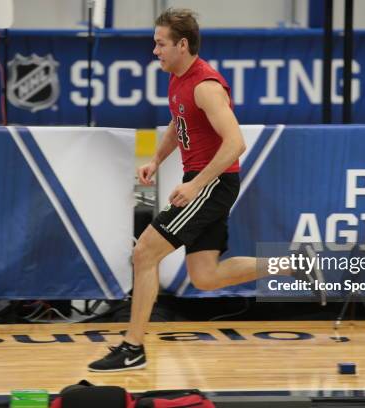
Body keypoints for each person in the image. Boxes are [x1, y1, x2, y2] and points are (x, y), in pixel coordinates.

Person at [87, 8, 323, 373]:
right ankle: (296, 265)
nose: (155, 51)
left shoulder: (206, 86)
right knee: (205, 276)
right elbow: (176, 123)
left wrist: (195, 184)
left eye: (160, 44)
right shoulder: (177, 78)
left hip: (211, 184)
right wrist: (157, 160)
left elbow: (235, 143)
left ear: (183, 44)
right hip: (204, 181)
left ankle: (133, 346)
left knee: (144, 254)